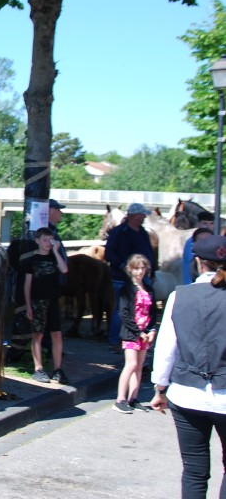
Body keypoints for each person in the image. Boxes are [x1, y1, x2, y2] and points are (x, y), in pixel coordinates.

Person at [151, 234, 226, 498]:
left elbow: (166, 348)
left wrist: (160, 388)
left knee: (193, 471)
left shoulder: (179, 296)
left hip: (186, 393)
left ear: (197, 262)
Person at [105, 203, 156, 353]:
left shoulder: (142, 232)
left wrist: (151, 272)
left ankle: (141, 337)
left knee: (144, 308)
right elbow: (109, 253)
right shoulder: (119, 232)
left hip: (142, 277)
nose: (144, 217)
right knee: (121, 310)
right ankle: (115, 341)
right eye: (142, 214)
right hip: (122, 278)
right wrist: (121, 265)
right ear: (135, 216)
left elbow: (149, 253)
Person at [112, 253, 158, 413]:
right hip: (132, 332)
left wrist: (151, 329)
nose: (140, 272)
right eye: (137, 268)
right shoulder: (127, 289)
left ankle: (134, 397)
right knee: (130, 365)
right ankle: (120, 399)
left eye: (143, 268)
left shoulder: (148, 289)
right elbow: (124, 313)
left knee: (139, 366)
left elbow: (153, 312)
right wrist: (138, 331)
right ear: (130, 270)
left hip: (144, 333)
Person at [24, 227, 69, 383]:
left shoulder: (54, 258)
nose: (48, 244)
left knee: (56, 334)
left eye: (50, 240)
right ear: (37, 241)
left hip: (53, 301)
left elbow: (64, 269)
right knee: (38, 334)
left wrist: (56, 251)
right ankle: (38, 368)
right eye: (44, 240)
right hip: (38, 301)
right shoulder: (32, 261)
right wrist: (28, 305)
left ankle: (58, 369)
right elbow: (27, 285)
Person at [182, 212, 216, 284]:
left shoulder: (215, 241)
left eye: (211, 223)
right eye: (205, 223)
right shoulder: (192, 242)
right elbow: (191, 266)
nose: (208, 226)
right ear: (198, 224)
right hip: (193, 283)